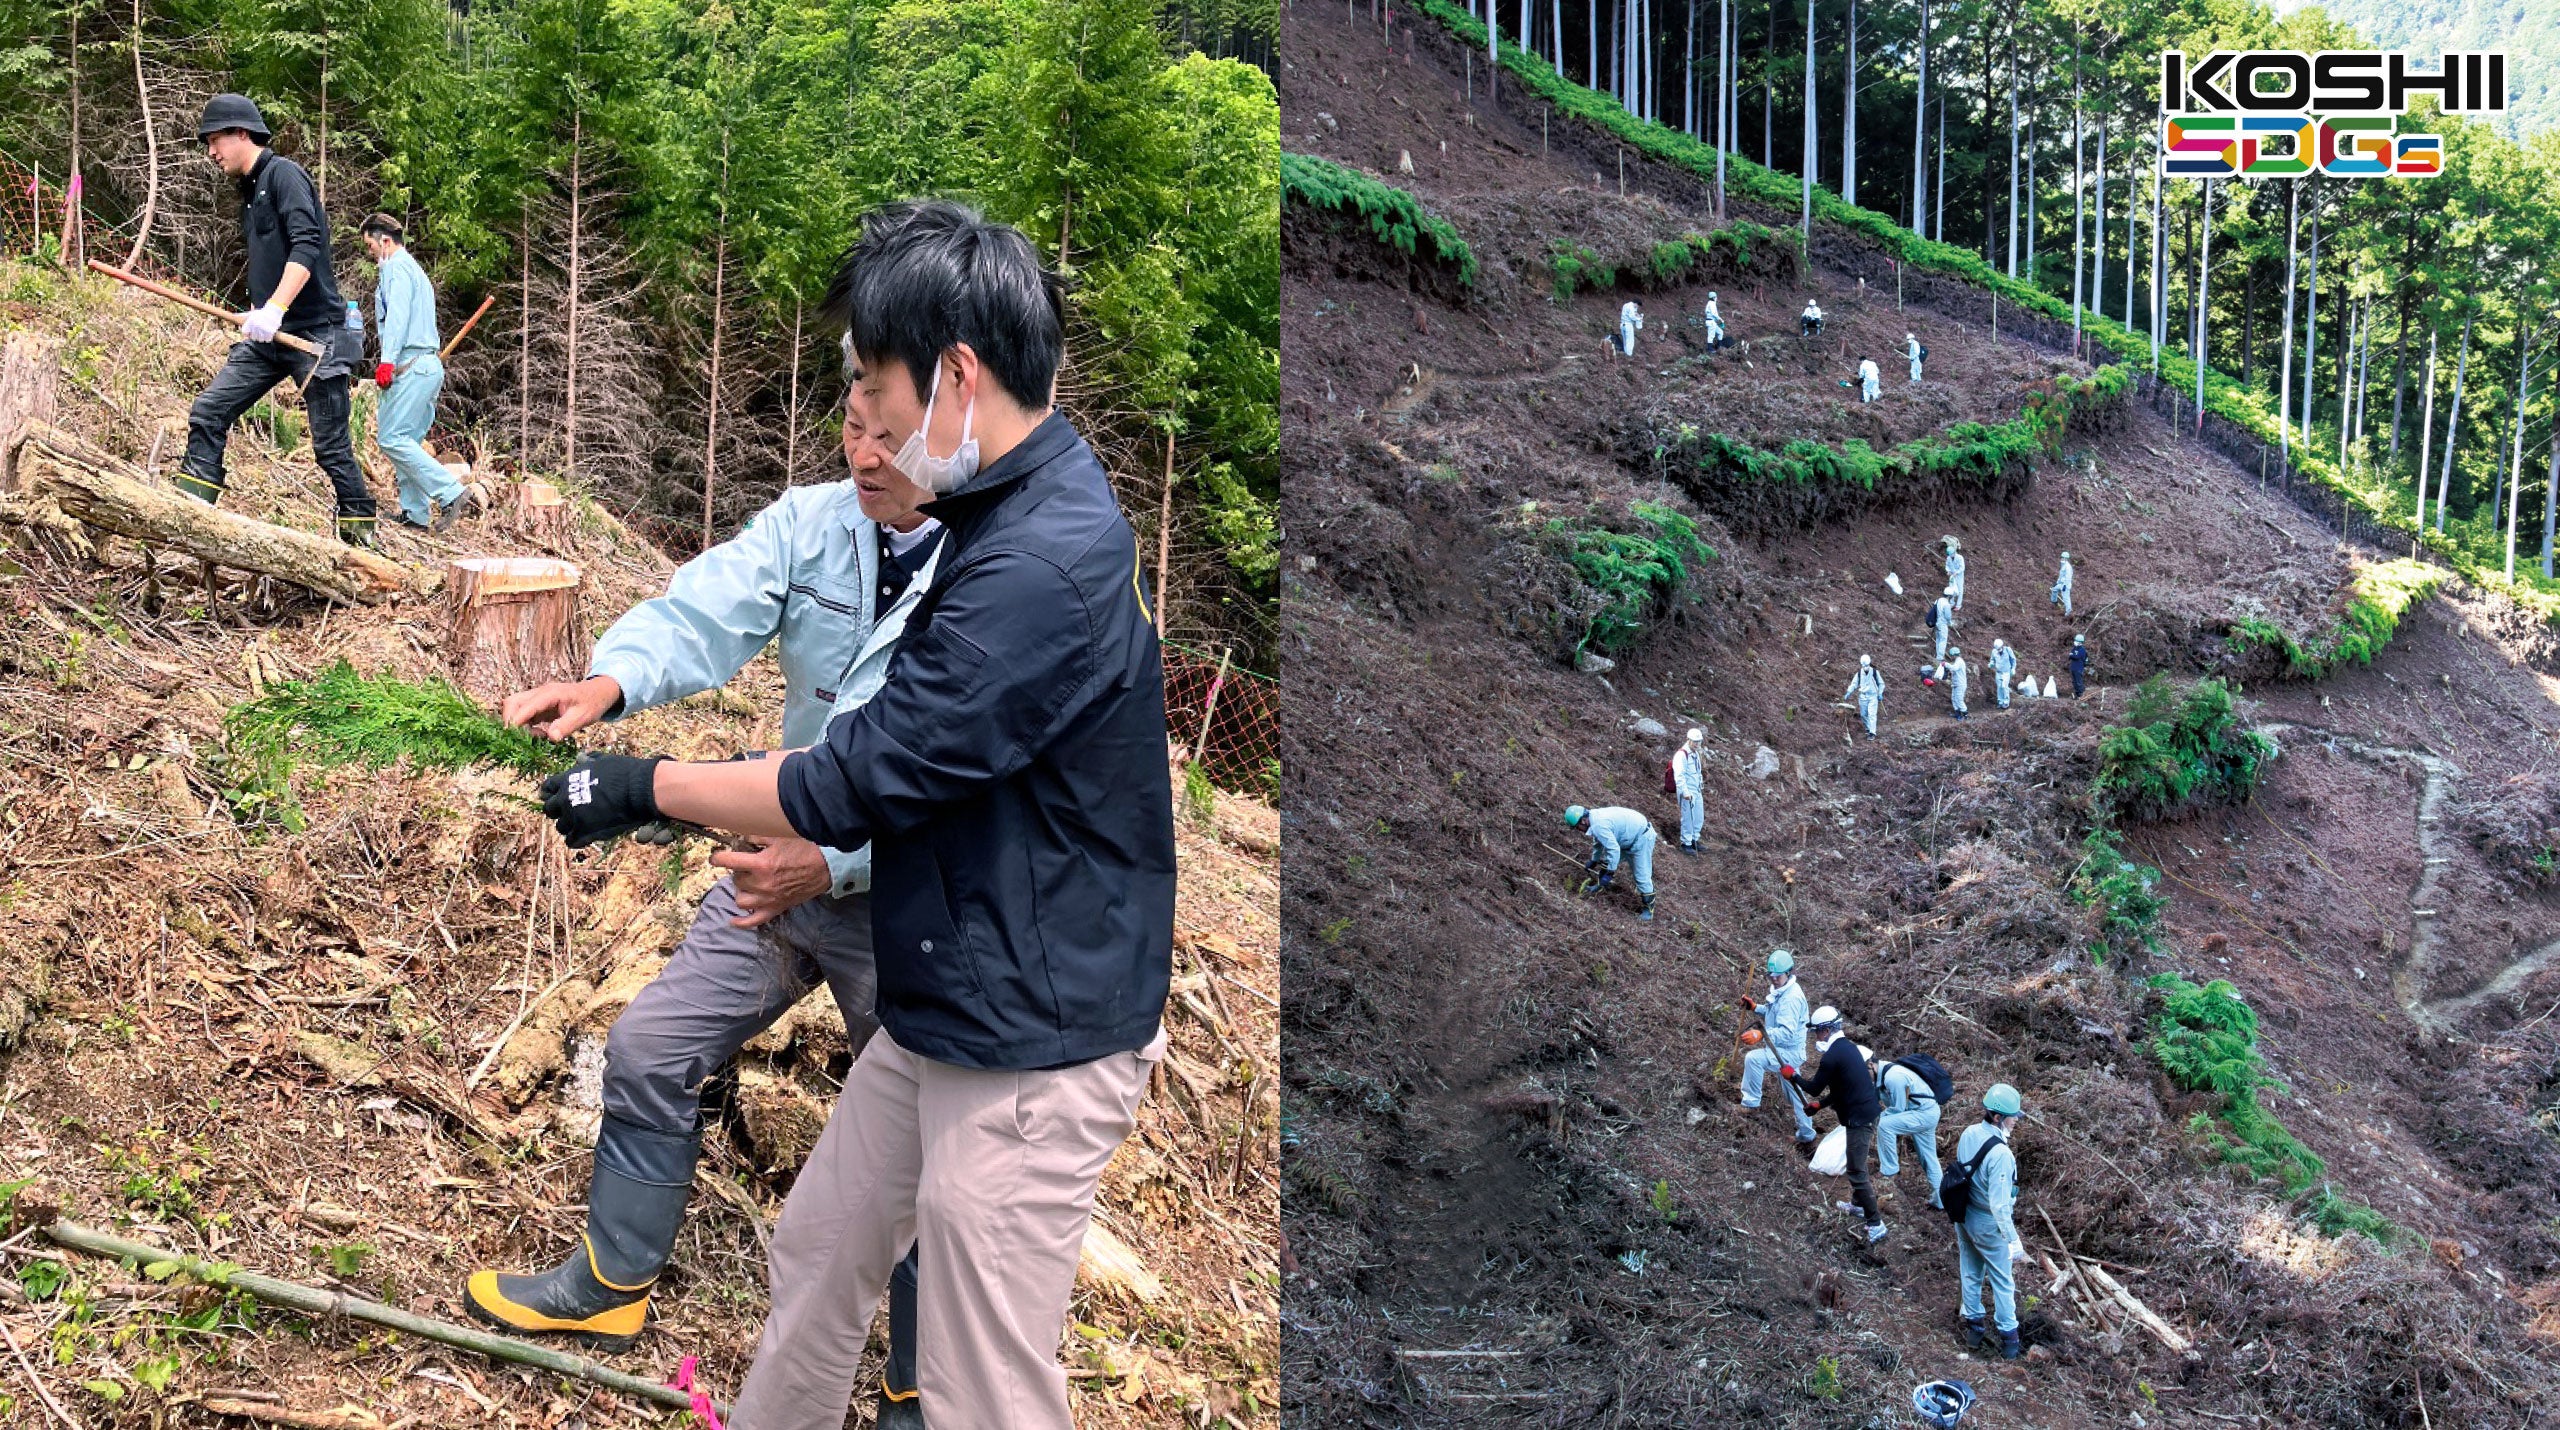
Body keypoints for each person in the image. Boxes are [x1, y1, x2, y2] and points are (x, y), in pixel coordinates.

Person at [533, 201, 1170, 1430]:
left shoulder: (1034, 564)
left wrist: (638, 785)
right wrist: (612, 680)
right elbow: (714, 604)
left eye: (876, 382)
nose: (864, 420)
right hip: (953, 991)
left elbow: (853, 777)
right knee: (821, 1250)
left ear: (956, 375)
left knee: (982, 1381)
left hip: (1035, 1031)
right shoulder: (985, 514)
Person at [464, 384, 941, 1421]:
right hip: (772, 863)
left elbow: (959, 776)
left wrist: (834, 862)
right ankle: (611, 1281)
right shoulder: (816, 525)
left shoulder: (986, 571)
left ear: (946, 436)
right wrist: (608, 683)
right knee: (649, 1045)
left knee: (921, 1143)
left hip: (908, 897)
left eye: (888, 437)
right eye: (851, 428)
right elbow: (705, 607)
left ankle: (921, 1384)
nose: (862, 454)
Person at [181, 95, 377, 546]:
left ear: (242, 134)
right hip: (270, 336)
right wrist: (262, 312)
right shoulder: (249, 193)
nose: (212, 152)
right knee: (208, 411)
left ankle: (362, 543)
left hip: (315, 336)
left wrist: (276, 308)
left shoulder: (283, 174)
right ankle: (191, 519)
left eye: (216, 141)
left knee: (331, 448)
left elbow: (307, 246)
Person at [359, 214, 475, 532]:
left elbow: (397, 317)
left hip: (411, 365)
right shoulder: (415, 271)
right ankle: (416, 514)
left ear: (385, 241)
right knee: (408, 440)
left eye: (370, 245)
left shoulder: (396, 269)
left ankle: (451, 493)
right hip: (427, 367)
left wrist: (387, 360)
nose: (370, 253)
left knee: (392, 438)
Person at [1791, 1012, 1886, 1244]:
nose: (1816, 1036)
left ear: (1825, 1030)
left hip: (1860, 1119)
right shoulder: (1849, 1048)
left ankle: (1876, 1223)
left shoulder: (1832, 1057)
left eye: (1816, 1031)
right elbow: (1842, 1088)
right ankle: (1857, 1205)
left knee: (1855, 1170)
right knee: (1857, 1162)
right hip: (1865, 1112)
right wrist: (1820, 1106)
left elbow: (1813, 1087)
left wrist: (1793, 1076)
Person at [1954, 1085, 2028, 1360]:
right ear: (1997, 1117)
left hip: (1963, 1214)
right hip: (1986, 1222)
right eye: (2012, 1116)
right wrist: (2013, 1240)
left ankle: (1974, 1330)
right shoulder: (2001, 1156)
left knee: (1971, 1270)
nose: (2016, 1120)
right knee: (2002, 1280)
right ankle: (2009, 1341)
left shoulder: (1969, 1133)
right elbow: (1999, 1206)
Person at [1738, 950, 1817, 1153]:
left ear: (1789, 972)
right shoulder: (1781, 989)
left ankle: (1750, 1104)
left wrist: (1760, 1034)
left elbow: (1786, 1032)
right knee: (1795, 1091)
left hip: (1787, 1051)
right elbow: (1774, 1010)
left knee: (1753, 1059)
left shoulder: (1792, 998)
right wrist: (1756, 1008)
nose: (1773, 979)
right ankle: (1807, 1135)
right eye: (1770, 975)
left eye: (1778, 975)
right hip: (1782, 1049)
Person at [1873, 1053, 1945, 1208]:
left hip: (1923, 1114)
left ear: (1870, 1066)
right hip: (1927, 1111)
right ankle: (1940, 1201)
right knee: (1928, 1158)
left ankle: (1889, 1170)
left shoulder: (1893, 1077)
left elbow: (1898, 1109)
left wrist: (1880, 1116)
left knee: (1885, 1125)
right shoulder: (1886, 1073)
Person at [1567, 804, 1657, 922]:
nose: (1579, 831)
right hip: (1627, 838)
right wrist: (1594, 860)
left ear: (1583, 821)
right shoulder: (1594, 818)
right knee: (1607, 860)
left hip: (1641, 839)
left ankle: (1648, 909)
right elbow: (1598, 841)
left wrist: (1610, 872)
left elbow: (1614, 849)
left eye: (1577, 827)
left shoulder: (1598, 824)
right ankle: (1599, 886)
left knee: (1641, 876)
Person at [1672, 728, 1706, 855]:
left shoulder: (1695, 754)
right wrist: (1685, 792)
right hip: (1687, 791)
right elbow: (1679, 776)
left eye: (1699, 741)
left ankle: (1694, 839)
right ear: (1688, 740)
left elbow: (1698, 772)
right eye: (1694, 741)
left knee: (1698, 817)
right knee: (1688, 818)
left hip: (1697, 789)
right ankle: (1685, 843)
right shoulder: (1681, 755)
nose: (1697, 744)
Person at [1843, 654, 1884, 739]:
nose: (1865, 667)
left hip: (1873, 696)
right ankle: (1868, 729)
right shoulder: (1859, 674)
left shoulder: (1875, 672)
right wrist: (1849, 692)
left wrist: (1880, 693)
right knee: (1863, 715)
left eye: (1867, 665)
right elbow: (1854, 684)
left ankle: (1872, 733)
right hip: (1863, 697)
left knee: (1872, 714)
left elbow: (1881, 683)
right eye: (1864, 666)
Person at [1927, 585, 1955, 664]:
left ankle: (1938, 655)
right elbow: (1948, 616)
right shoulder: (1946, 604)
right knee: (1943, 640)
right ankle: (1940, 657)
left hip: (1936, 623)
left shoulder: (1938, 600)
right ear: (1949, 596)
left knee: (1938, 639)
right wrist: (1950, 623)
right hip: (1942, 624)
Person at [1988, 638, 2017, 709]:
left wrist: (2013, 668)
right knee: (1999, 687)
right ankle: (2000, 702)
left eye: (1999, 649)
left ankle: (2006, 702)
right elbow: (1992, 659)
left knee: (2004, 686)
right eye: (1997, 649)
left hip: (2006, 672)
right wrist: (1991, 663)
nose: (1999, 651)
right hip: (1998, 672)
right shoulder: (1994, 652)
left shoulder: (2008, 650)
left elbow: (2013, 659)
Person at [1942, 646, 1970, 719]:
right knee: (1954, 699)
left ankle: (1965, 714)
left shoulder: (1959, 661)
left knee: (1959, 699)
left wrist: (1946, 664)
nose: (1951, 657)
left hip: (1960, 683)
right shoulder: (1957, 661)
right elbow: (1954, 670)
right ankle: (1957, 714)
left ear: (1954, 655)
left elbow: (1954, 668)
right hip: (1955, 683)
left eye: (1952, 655)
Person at [1942, 536, 1965, 610]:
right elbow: (1947, 565)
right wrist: (1948, 571)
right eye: (1949, 555)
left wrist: (1957, 572)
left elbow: (1962, 568)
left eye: (1951, 554)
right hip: (1952, 576)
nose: (1950, 556)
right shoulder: (1948, 558)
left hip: (1959, 576)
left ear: (1954, 552)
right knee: (1952, 589)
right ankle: (1951, 603)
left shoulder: (1960, 557)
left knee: (1960, 590)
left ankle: (1958, 605)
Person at [2050, 550, 2074, 617]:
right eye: (2062, 557)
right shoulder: (2063, 565)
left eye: (2064, 558)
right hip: (2061, 584)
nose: (2063, 558)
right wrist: (2057, 583)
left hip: (2065, 585)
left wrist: (2065, 586)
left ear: (2067, 559)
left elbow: (2068, 578)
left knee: (2066, 598)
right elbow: (2061, 576)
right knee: (2054, 589)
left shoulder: (2068, 567)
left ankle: (2068, 612)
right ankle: (2054, 601)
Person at [2069, 633, 2090, 698]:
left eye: (2076, 641)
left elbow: (2077, 657)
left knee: (2078, 682)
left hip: (2079, 668)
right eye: (2075, 641)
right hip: (2073, 667)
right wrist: (2072, 655)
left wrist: (2072, 655)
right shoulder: (2075, 648)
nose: (2074, 642)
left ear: (2080, 643)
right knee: (2074, 682)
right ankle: (2077, 694)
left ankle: (2081, 695)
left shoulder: (2082, 650)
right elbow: (2071, 654)